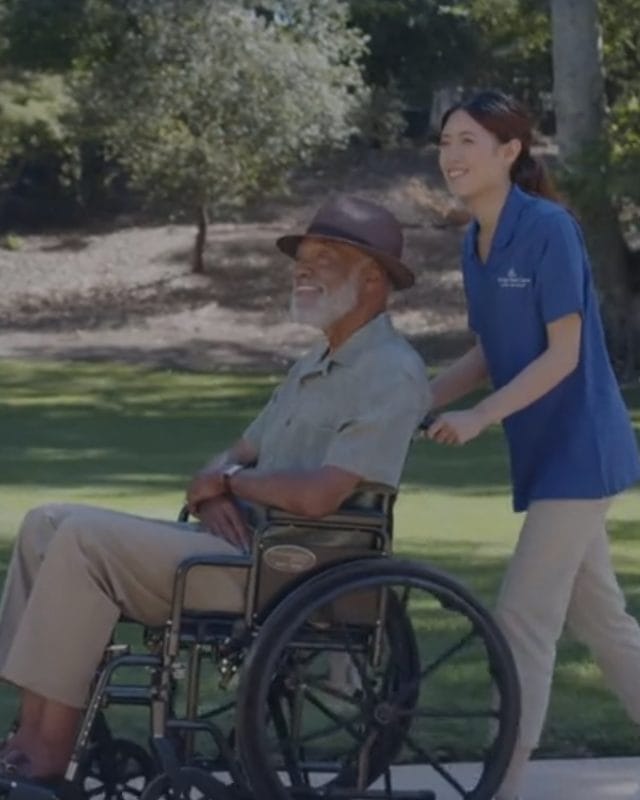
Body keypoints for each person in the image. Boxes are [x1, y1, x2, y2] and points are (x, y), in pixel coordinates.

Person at [0, 195, 431, 783]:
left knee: (80, 540)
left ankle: (48, 754)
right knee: (44, 523)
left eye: (324, 258)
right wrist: (218, 488)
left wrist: (226, 482)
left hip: (286, 566)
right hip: (236, 544)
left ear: (374, 278)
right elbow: (237, 452)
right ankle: (28, 735)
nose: (302, 269)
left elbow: (321, 495)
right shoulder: (312, 363)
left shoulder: (391, 372)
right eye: (300, 258)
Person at [428, 89, 640, 800]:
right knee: (604, 622)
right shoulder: (473, 241)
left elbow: (562, 354)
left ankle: (501, 785)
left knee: (523, 618)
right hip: (546, 454)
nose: (452, 155)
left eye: (468, 141)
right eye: (446, 141)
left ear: (510, 151)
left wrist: (481, 417)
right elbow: (490, 348)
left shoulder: (550, 229)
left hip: (584, 452)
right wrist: (417, 401)